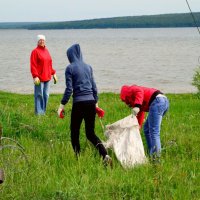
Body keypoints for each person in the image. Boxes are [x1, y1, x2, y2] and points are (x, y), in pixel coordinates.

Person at [57, 44, 112, 165]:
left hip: (79, 103)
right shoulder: (88, 67)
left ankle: (78, 159)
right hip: (91, 102)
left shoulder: (69, 68)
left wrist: (62, 105)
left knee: (74, 132)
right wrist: (96, 103)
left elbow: (69, 89)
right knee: (90, 133)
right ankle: (105, 155)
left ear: (70, 56)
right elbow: (94, 87)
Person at [120, 85, 169, 159]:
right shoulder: (137, 100)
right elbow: (140, 113)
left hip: (157, 101)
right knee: (147, 129)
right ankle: (151, 152)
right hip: (163, 101)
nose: (126, 103)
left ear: (126, 96)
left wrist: (137, 106)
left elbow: (139, 91)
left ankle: (156, 158)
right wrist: (137, 128)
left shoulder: (131, 89)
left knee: (154, 132)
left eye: (125, 101)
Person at [30, 34, 57, 115]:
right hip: (39, 78)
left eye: (43, 40)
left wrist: (54, 73)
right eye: (40, 40)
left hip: (47, 77)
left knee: (46, 95)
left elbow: (49, 64)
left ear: (45, 41)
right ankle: (39, 113)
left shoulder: (47, 51)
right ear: (37, 41)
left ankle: (43, 112)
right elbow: (33, 65)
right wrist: (35, 76)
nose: (42, 41)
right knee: (39, 95)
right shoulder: (35, 51)